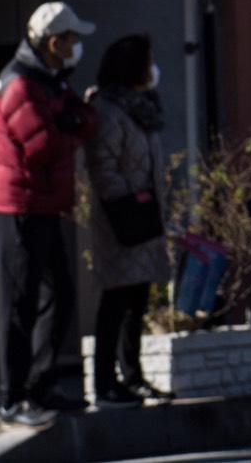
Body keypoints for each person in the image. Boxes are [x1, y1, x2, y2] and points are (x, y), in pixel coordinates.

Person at [0, 1, 98, 427]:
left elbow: (85, 122)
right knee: (20, 302)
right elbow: (44, 147)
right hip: (19, 206)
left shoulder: (52, 81)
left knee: (59, 294)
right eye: (73, 39)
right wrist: (69, 124)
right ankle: (12, 398)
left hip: (46, 204)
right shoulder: (19, 84)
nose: (77, 47)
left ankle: (40, 385)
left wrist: (69, 123)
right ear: (55, 42)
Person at [82, 35, 173, 408]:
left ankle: (133, 376)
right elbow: (103, 165)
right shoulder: (108, 109)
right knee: (116, 298)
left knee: (138, 298)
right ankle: (106, 383)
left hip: (145, 213)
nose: (153, 69)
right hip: (121, 217)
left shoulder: (142, 107)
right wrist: (126, 203)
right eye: (148, 61)